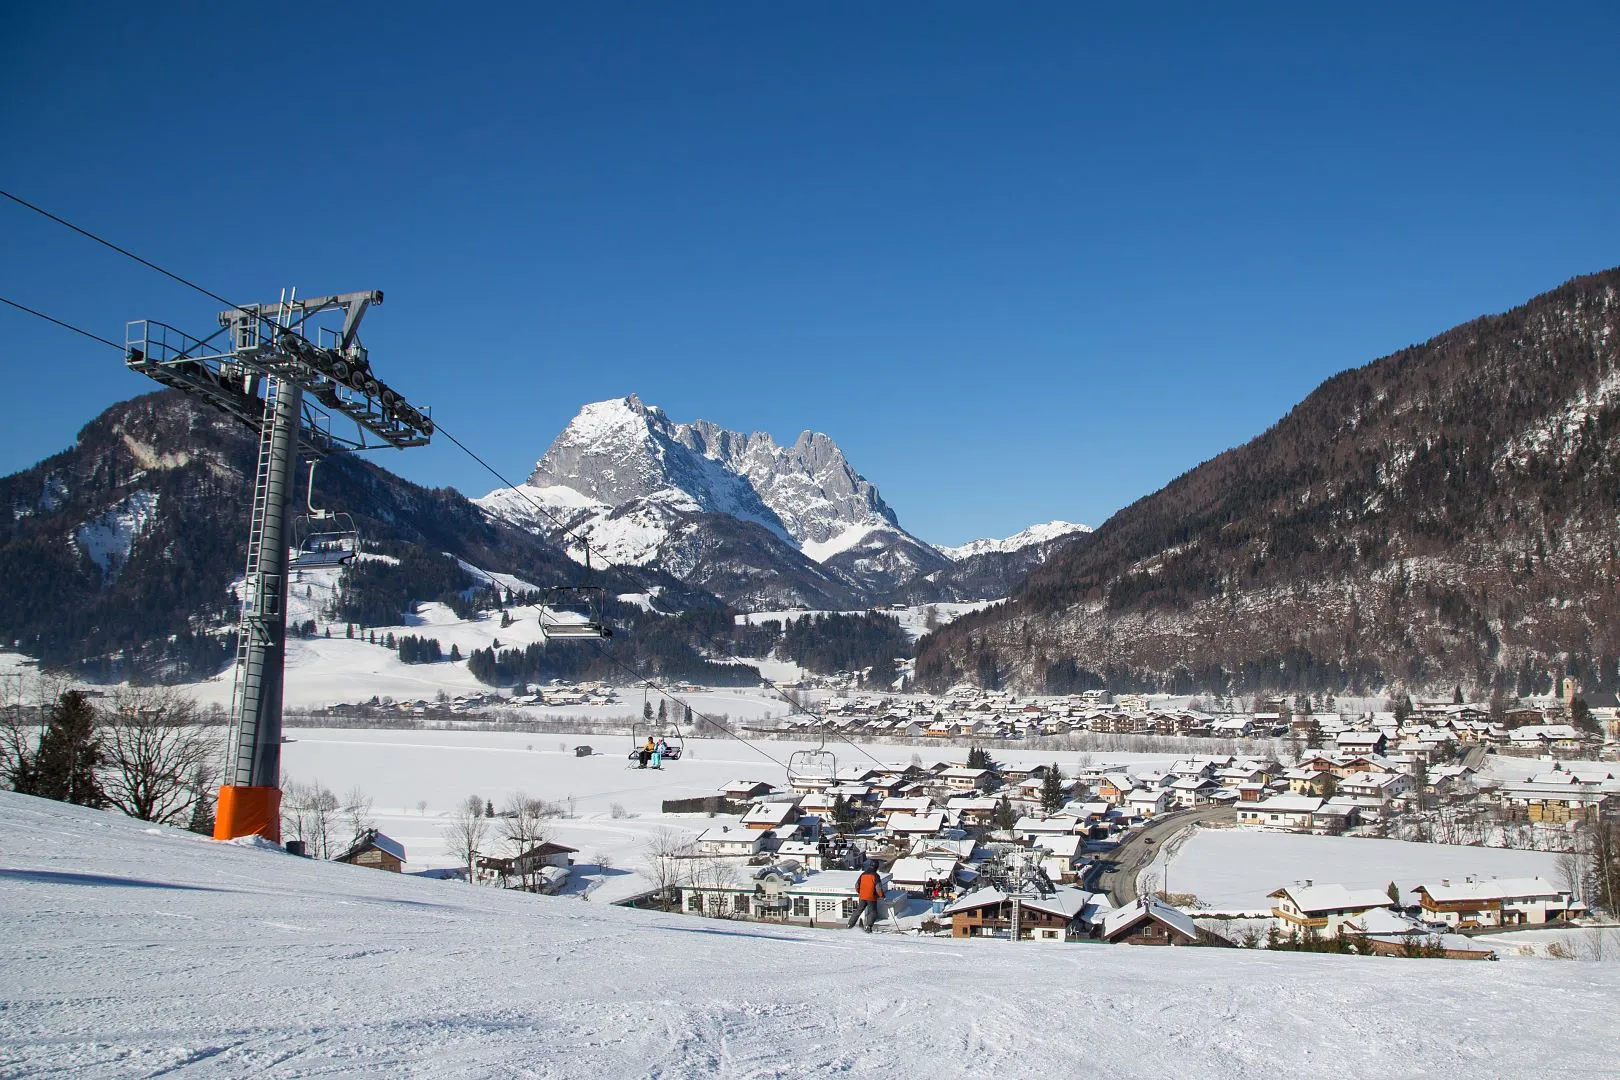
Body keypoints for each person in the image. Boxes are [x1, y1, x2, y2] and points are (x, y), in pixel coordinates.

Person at [848, 859, 886, 933]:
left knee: (858, 911)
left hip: (862, 897)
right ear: (876, 867)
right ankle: (868, 926)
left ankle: (850, 925)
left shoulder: (863, 874)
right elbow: (878, 888)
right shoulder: (876, 876)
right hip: (871, 897)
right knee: (872, 912)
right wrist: (882, 896)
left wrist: (859, 892)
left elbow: (857, 885)